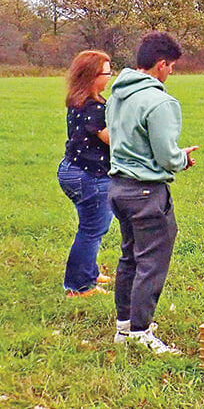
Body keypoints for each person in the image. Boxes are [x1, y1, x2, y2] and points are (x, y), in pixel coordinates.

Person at [106, 32, 199, 354]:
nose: (171, 72)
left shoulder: (118, 95)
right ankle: (141, 331)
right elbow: (166, 155)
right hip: (146, 193)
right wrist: (182, 158)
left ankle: (124, 326)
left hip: (118, 188)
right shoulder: (161, 102)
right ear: (161, 65)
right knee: (151, 263)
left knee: (129, 257)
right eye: (171, 66)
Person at [57, 50, 115, 298]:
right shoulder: (93, 108)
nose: (111, 76)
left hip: (71, 171)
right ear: (93, 76)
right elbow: (111, 140)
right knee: (93, 229)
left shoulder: (78, 100)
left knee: (90, 225)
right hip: (88, 176)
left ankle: (88, 271)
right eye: (107, 72)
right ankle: (79, 286)